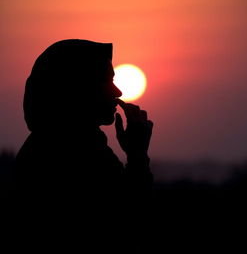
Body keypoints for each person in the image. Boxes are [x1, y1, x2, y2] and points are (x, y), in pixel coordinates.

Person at [15, 39, 154, 253]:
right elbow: (132, 223)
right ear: (77, 88)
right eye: (106, 81)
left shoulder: (75, 145)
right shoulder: (71, 155)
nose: (117, 92)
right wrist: (137, 156)